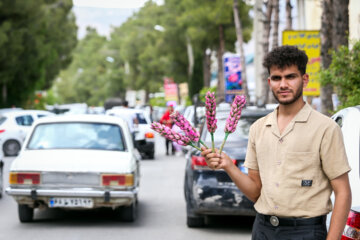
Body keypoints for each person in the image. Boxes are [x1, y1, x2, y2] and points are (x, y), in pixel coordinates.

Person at [201, 45, 351, 240]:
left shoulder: (325, 128)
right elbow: (256, 192)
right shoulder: (258, 128)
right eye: (277, 78)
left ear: (304, 79)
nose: (283, 84)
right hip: (263, 229)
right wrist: (228, 166)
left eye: (290, 77)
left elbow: (343, 193)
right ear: (269, 81)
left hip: (306, 232)